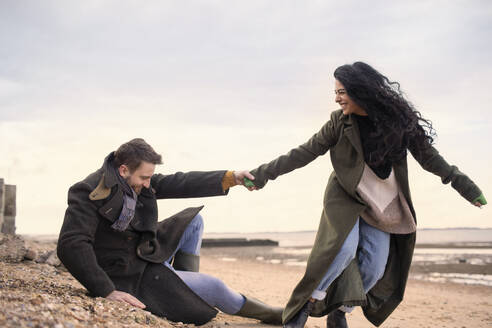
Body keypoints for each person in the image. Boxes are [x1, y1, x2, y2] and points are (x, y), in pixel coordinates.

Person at [245, 62, 487, 328]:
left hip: (382, 205)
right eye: (335, 92)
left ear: (362, 91)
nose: (336, 98)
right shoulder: (340, 122)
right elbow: (304, 152)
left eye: (342, 92)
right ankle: (306, 305)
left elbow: (430, 158)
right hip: (346, 197)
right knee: (342, 250)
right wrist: (263, 174)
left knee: (374, 266)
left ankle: (341, 311)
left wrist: (465, 186)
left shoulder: (401, 124)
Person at [57, 138, 283, 326]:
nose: (148, 183)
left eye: (150, 177)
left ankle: (183, 293)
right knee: (216, 287)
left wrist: (231, 178)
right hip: (125, 273)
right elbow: (71, 244)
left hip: (144, 252)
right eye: (144, 178)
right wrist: (106, 290)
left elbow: (180, 182)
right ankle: (272, 314)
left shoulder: (133, 179)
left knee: (194, 220)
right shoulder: (88, 190)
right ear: (124, 169)